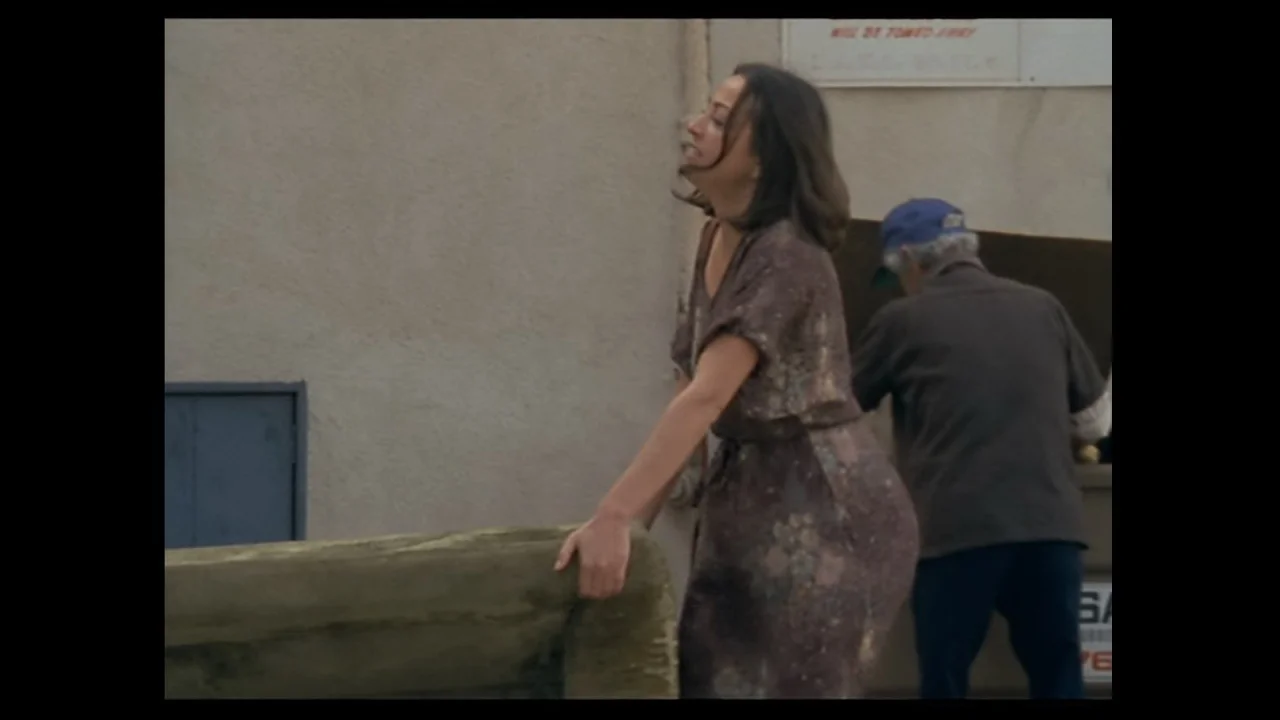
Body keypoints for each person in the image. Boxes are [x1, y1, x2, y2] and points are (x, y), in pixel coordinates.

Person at [553, 63, 920, 698]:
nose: (694, 126)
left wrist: (614, 516)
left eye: (720, 119)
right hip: (745, 502)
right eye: (705, 111)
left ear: (764, 157)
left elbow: (708, 395)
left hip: (826, 510)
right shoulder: (714, 239)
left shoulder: (787, 253)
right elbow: (686, 388)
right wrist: (630, 526)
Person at [851, 198, 1111, 699]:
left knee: (944, 681)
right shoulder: (1043, 306)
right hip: (1050, 527)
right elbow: (1095, 422)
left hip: (956, 532)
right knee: (1059, 678)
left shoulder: (901, 319)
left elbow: (841, 409)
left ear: (910, 260)